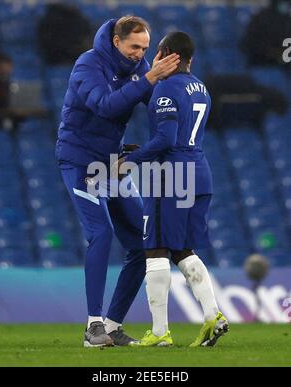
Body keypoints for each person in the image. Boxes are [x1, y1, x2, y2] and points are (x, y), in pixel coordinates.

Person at [55, 16, 180, 347]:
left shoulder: (137, 69)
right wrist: (151, 77)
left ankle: (110, 326)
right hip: (80, 161)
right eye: (134, 46)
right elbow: (105, 106)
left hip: (111, 163)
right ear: (116, 41)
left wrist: (178, 88)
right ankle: (92, 326)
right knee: (101, 232)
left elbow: (152, 103)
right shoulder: (88, 64)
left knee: (144, 243)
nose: (140, 53)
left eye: (145, 48)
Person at [116, 31, 229, 347]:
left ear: (166, 53)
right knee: (182, 249)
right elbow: (175, 137)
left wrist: (131, 160)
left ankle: (160, 332)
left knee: (154, 248)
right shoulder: (201, 88)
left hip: (171, 176)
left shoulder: (164, 88)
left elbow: (166, 139)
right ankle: (212, 316)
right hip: (198, 173)